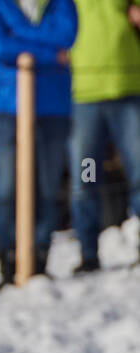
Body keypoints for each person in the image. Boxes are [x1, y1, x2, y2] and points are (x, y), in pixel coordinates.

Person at [0, 0, 77, 283]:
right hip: (8, 106)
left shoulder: (61, 3)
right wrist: (50, 53)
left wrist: (18, 34)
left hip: (53, 105)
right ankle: (8, 260)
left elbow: (67, 37)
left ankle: (38, 257)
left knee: (47, 187)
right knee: (5, 189)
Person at [68, 0, 140, 274]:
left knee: (139, 174)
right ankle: (88, 252)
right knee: (86, 177)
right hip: (84, 93)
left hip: (128, 86)